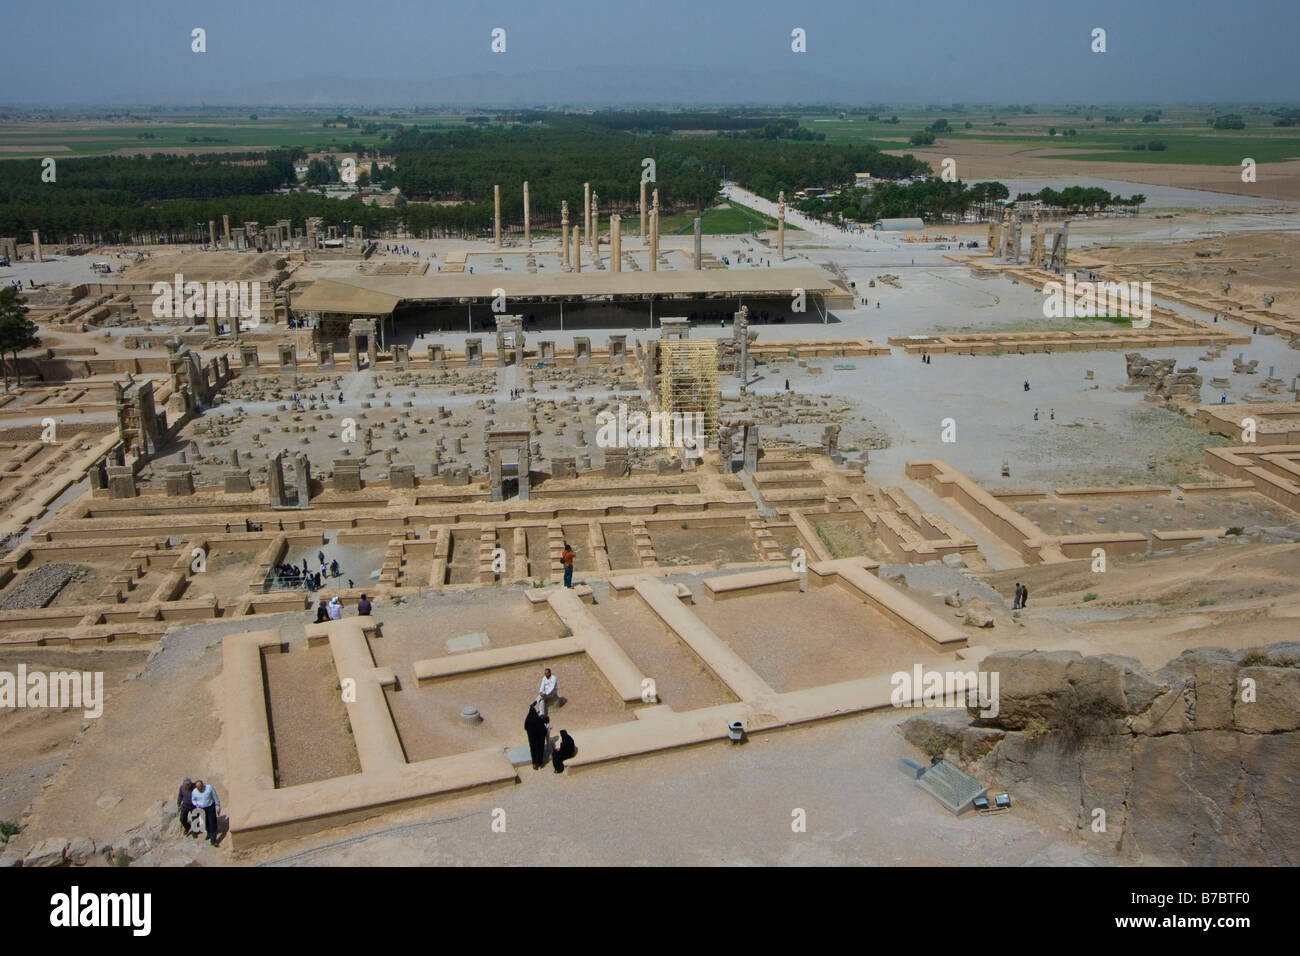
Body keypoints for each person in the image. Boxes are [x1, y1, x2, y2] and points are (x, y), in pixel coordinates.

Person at [190, 779, 220, 846]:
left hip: (210, 807)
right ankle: (209, 833)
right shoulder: (194, 792)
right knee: (205, 822)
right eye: (198, 788)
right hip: (202, 809)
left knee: (212, 823)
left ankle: (213, 840)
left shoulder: (209, 788)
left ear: (203, 785)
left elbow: (215, 797)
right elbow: (193, 800)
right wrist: (196, 805)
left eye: (200, 787)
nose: (200, 789)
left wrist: (217, 806)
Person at [524, 702, 548, 770]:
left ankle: (534, 763)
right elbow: (544, 731)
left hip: (532, 737)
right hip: (540, 738)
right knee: (540, 748)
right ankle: (539, 762)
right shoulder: (539, 721)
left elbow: (525, 727)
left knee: (533, 749)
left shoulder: (528, 719)